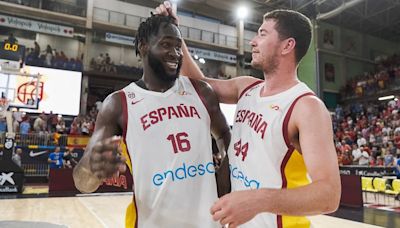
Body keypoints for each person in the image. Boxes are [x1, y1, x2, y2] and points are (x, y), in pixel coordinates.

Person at [157, 2, 341, 227]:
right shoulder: (246, 87)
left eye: (262, 34)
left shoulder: (306, 107)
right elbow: (200, 86)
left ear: (287, 46)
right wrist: (176, 34)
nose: (253, 41)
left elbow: (329, 195)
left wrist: (259, 200)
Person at [73, 14, 231, 228]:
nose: (175, 53)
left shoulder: (202, 92)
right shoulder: (118, 104)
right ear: (144, 47)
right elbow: (83, 183)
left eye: (178, 47)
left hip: (209, 223)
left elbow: (224, 134)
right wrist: (93, 169)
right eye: (166, 44)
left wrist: (225, 169)